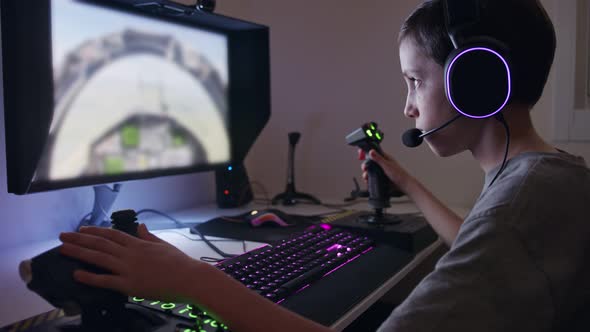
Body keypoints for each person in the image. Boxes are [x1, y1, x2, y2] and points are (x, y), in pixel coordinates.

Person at [59, 0, 590, 331]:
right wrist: (403, 177)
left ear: (476, 82)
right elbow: (474, 243)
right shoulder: (540, 180)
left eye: (415, 81)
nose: (407, 106)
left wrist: (195, 282)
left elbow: (490, 236)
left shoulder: (525, 200)